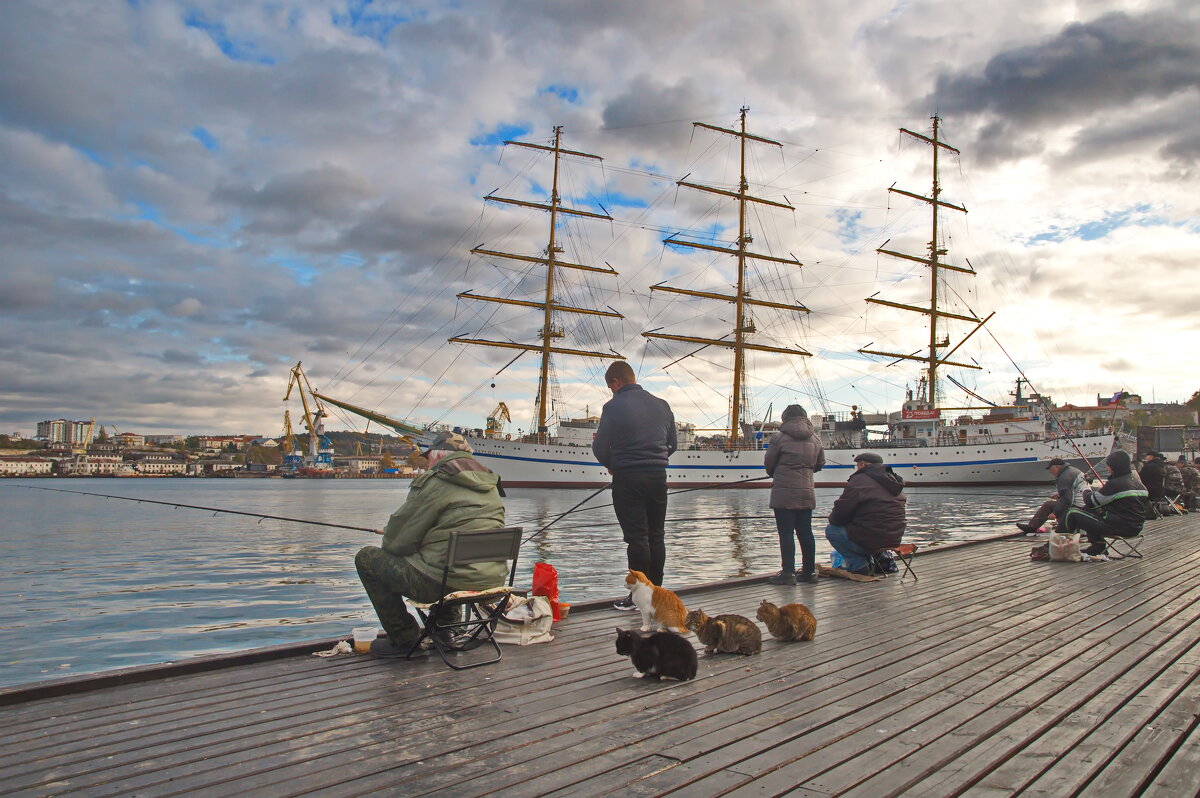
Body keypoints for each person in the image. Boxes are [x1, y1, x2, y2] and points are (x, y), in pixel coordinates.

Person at [355, 432, 507, 656]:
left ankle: (404, 638)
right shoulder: (492, 484)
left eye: (428, 458)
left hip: (446, 583)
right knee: (450, 564)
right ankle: (446, 632)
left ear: (437, 455)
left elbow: (397, 542)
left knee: (366, 558)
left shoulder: (436, 481)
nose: (427, 463)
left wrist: (403, 540)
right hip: (491, 582)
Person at [592, 360, 677, 610]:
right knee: (656, 535)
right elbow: (672, 444)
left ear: (616, 382)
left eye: (611, 386)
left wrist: (613, 464)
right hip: (658, 476)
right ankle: (657, 594)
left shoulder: (613, 406)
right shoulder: (663, 405)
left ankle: (639, 598)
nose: (611, 391)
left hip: (628, 478)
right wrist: (654, 460)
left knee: (637, 538)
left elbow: (600, 446)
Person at [763, 404, 825, 584]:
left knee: (786, 533)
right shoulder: (815, 439)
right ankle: (809, 572)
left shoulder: (779, 438)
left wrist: (775, 472)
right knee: (806, 532)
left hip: (784, 491)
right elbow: (820, 463)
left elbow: (769, 463)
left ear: (785, 418)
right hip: (807, 491)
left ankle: (788, 574)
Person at [825, 452, 907, 576]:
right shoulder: (894, 480)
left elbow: (842, 510)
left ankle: (859, 566)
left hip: (872, 538)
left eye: (857, 465)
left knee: (832, 530)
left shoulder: (860, 480)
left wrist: (834, 519)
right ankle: (869, 563)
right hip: (894, 538)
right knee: (862, 532)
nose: (856, 468)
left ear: (863, 464)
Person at [1063, 448, 1148, 555]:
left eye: (1108, 466)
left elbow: (1090, 502)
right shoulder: (1139, 485)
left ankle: (1059, 546)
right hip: (1136, 527)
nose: (1107, 469)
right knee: (1091, 511)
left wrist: (1086, 488)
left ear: (1114, 467)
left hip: (1120, 528)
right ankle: (1098, 547)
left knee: (1072, 513)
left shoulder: (1115, 484)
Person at [1016, 457, 1090, 533]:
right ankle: (1032, 527)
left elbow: (1067, 500)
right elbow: (1073, 491)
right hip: (1085, 505)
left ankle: (1032, 527)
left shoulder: (1064, 477)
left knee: (1048, 505)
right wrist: (1060, 495)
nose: (1050, 472)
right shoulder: (1073, 471)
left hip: (1078, 507)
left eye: (1051, 469)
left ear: (1057, 467)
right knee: (1053, 504)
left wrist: (1055, 513)